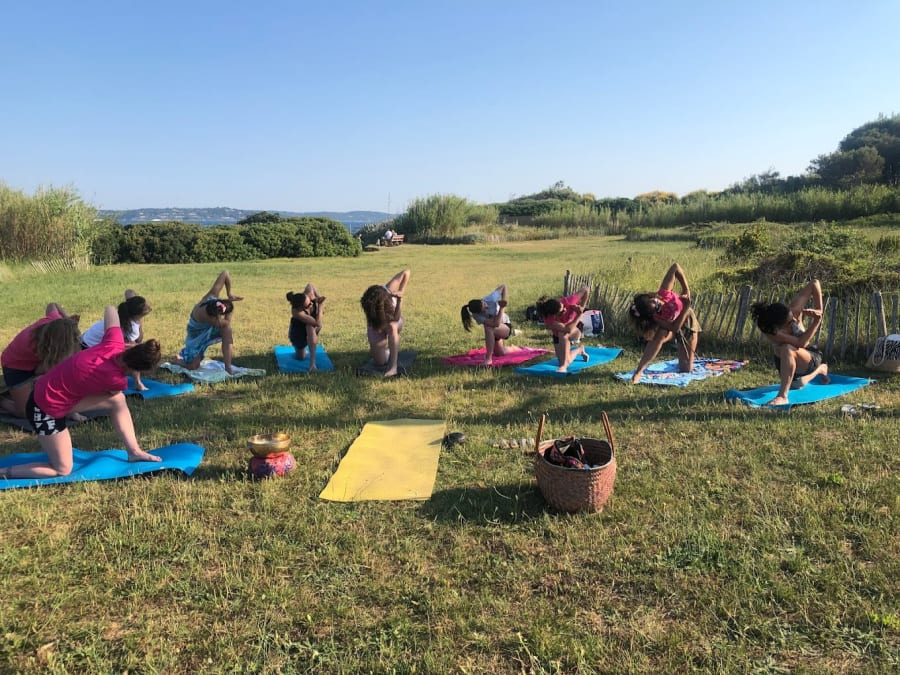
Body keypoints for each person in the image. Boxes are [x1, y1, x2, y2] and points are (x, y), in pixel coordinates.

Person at [0, 305, 162, 479]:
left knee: (117, 400)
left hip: (45, 393)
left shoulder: (113, 342)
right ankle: (4, 473)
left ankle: (134, 451)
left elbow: (110, 309)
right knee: (62, 469)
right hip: (43, 409)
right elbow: (108, 387)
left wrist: (121, 338)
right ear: (137, 370)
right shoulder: (115, 380)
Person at [750, 279, 830, 406]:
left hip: (810, 356)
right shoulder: (774, 333)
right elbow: (800, 342)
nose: (794, 321)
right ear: (777, 328)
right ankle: (821, 370)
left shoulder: (794, 309)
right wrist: (816, 322)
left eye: (792, 317)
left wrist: (819, 311)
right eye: (789, 323)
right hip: (789, 356)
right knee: (796, 384)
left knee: (787, 348)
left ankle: (782, 396)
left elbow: (815, 283)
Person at [1, 303, 82, 418]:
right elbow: (61, 376)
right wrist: (72, 411)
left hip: (36, 361)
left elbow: (52, 305)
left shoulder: (55, 321)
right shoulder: (33, 342)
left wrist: (67, 318)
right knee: (26, 413)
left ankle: (28, 386)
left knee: (60, 369)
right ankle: (3, 400)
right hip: (15, 366)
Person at [628, 262, 701, 383]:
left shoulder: (664, 292)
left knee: (686, 369)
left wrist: (685, 289)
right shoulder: (657, 318)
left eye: (657, 302)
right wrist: (685, 307)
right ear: (652, 314)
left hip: (688, 323)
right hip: (674, 327)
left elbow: (675, 267)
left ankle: (683, 351)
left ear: (653, 297)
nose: (660, 305)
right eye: (656, 308)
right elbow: (675, 328)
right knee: (659, 336)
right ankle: (639, 372)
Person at [81, 290, 153, 390]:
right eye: (145, 306)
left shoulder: (128, 313)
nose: (149, 307)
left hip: (86, 340)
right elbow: (134, 348)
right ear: (137, 314)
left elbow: (129, 292)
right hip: (88, 349)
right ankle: (138, 383)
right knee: (134, 354)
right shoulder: (129, 328)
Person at [173, 270, 243, 374]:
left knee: (227, 330)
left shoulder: (212, 296)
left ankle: (228, 367)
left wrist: (229, 294)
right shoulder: (210, 318)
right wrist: (230, 310)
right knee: (193, 366)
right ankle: (179, 360)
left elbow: (225, 273)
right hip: (196, 337)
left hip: (209, 328)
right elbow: (227, 322)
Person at [360, 269, 410, 377]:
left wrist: (401, 295)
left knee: (392, 327)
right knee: (380, 362)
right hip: (377, 325)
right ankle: (388, 351)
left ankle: (393, 366)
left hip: (393, 321)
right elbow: (374, 326)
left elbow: (406, 272)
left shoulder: (389, 289)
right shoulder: (370, 306)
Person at [536, 286, 590, 373]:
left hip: (576, 329)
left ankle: (563, 367)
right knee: (566, 360)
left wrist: (581, 308)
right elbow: (567, 329)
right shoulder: (549, 320)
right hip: (561, 333)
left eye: (563, 306)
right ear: (554, 315)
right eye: (561, 312)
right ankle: (579, 350)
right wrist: (579, 314)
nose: (565, 309)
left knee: (563, 334)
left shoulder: (569, 301)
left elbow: (586, 289)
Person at [461, 284, 514, 367]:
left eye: (484, 304)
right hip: (496, 328)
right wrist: (501, 308)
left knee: (488, 328)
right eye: (484, 309)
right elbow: (496, 323)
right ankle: (513, 348)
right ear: (478, 312)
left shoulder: (490, 299)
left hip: (505, 326)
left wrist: (503, 300)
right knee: (500, 353)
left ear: (482, 300)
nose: (487, 306)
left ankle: (488, 359)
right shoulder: (476, 316)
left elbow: (503, 286)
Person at [286, 283, 326, 372]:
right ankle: (303, 349)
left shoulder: (309, 293)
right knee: (301, 357)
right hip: (298, 331)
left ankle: (312, 364)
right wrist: (320, 305)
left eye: (311, 301)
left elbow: (310, 285)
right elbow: (317, 323)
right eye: (308, 305)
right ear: (301, 308)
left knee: (309, 327)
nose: (311, 304)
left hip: (312, 327)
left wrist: (318, 297)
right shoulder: (297, 312)